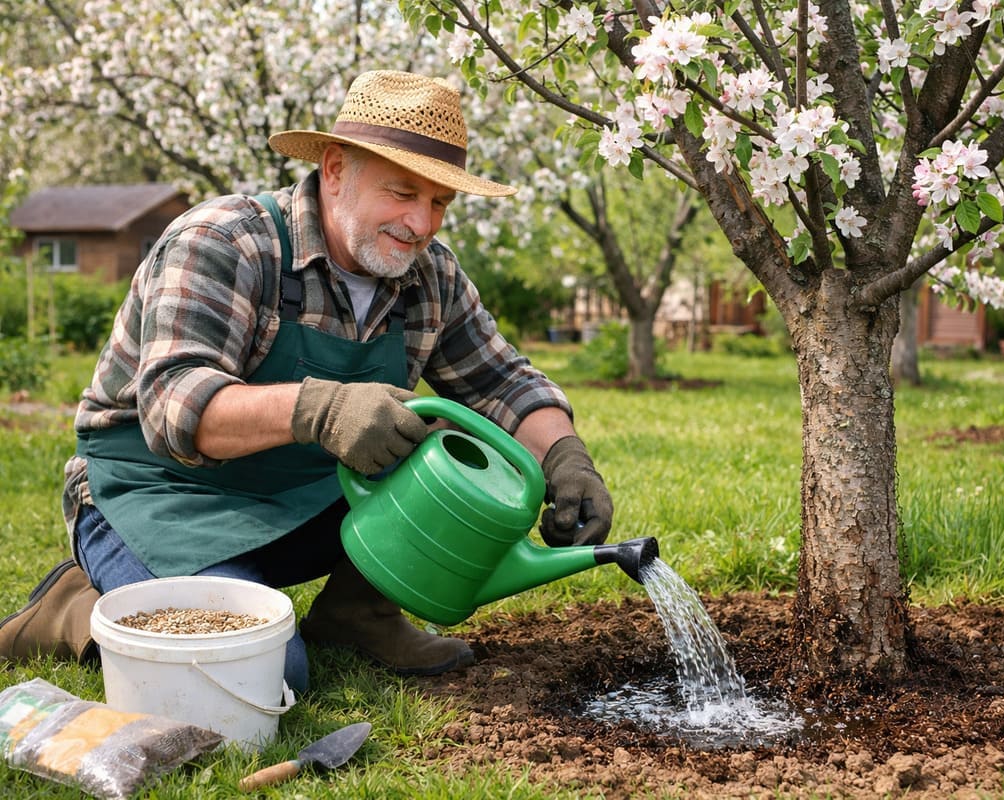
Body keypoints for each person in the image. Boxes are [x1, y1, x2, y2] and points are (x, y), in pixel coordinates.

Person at [0, 71, 613, 691]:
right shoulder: (222, 240)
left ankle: (358, 612)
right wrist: (322, 410)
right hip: (155, 495)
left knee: (442, 439)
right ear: (337, 169)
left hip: (301, 500)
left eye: (439, 203)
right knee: (266, 674)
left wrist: (566, 457)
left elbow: (502, 382)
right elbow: (173, 405)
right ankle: (71, 608)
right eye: (402, 194)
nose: (422, 223)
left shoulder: (431, 278)